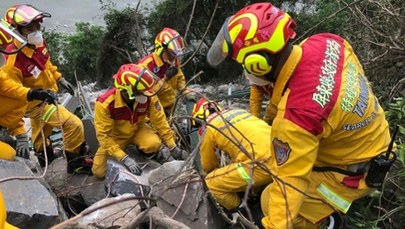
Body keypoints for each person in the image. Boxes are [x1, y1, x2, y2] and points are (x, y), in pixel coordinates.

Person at [206, 2, 393, 228]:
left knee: (269, 200)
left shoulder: (297, 117)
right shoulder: (327, 41)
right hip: (373, 140)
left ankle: (326, 221)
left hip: (351, 175)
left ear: (258, 64)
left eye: (245, 66)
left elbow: (288, 189)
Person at [2, 4, 91, 172]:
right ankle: (75, 162)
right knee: (74, 124)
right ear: (15, 31)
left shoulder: (36, 44)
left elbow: (46, 64)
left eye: (38, 25)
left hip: (47, 94)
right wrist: (19, 130)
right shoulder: (12, 62)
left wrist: (60, 78)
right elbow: (12, 95)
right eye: (30, 28)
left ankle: (44, 156)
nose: (36, 30)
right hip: (33, 103)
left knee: (41, 129)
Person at [92, 63, 188, 179]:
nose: (145, 94)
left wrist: (172, 146)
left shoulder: (148, 96)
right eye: (140, 91)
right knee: (98, 171)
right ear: (127, 90)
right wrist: (124, 158)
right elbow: (103, 136)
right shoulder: (105, 104)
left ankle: (147, 153)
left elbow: (160, 121)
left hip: (138, 128)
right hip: (116, 137)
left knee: (154, 144)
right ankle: (123, 153)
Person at [191, 98, 273, 213]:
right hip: (285, 156)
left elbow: (208, 165)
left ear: (199, 117)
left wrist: (216, 175)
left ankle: (244, 212)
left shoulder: (208, 129)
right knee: (238, 167)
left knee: (210, 183)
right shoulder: (240, 112)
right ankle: (254, 190)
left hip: (262, 165)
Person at [0, 18, 56, 161]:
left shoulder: (3, 77)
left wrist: (33, 93)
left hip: (10, 122)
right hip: (33, 109)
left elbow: (12, 95)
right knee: (9, 156)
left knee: (11, 153)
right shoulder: (13, 64)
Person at [136, 27, 195, 118]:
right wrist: (165, 78)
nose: (174, 58)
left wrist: (185, 92)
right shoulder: (145, 67)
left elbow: (179, 78)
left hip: (169, 110)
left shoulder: (173, 60)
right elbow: (144, 94)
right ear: (162, 49)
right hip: (151, 114)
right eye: (171, 54)